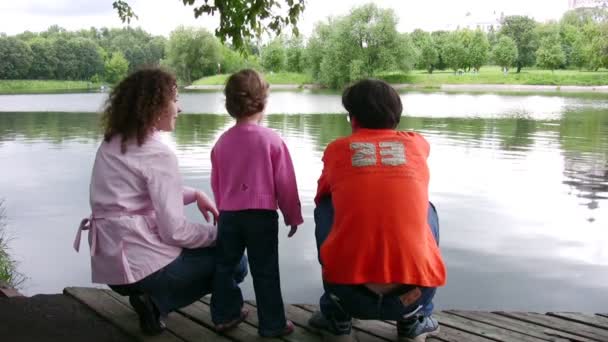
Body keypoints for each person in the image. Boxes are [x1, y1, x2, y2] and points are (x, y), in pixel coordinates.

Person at [73, 68, 247, 336]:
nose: (180, 108)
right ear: (154, 106)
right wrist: (220, 235)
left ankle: (152, 301)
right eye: (174, 100)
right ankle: (158, 303)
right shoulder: (157, 153)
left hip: (112, 269)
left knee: (205, 249)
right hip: (141, 268)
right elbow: (174, 231)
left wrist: (194, 195)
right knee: (236, 261)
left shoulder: (113, 142)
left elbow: (134, 196)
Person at [309, 79, 447, 342]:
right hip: (414, 295)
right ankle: (415, 321)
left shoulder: (337, 150)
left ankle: (336, 318)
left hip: (347, 294)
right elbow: (416, 147)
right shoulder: (416, 144)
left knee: (326, 205)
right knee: (426, 209)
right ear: (396, 118)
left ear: (353, 119)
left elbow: (321, 197)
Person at [209, 69, 303, 337]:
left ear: (230, 105)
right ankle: (272, 324)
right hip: (261, 216)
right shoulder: (271, 140)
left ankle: (224, 315)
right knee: (265, 271)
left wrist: (222, 208)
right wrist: (292, 215)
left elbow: (217, 182)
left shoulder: (222, 143)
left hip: (229, 215)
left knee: (224, 266)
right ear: (263, 102)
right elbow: (285, 182)